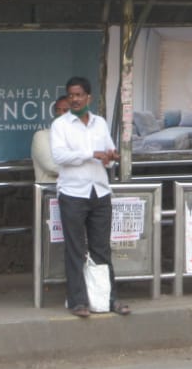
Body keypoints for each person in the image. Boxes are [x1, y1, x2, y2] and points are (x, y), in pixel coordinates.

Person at [50, 77, 131, 318]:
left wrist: (112, 155)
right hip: (73, 193)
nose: (74, 99)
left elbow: (108, 150)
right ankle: (78, 301)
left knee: (102, 249)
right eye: (70, 95)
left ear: (89, 98)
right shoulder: (60, 125)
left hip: (100, 190)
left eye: (78, 95)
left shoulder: (100, 123)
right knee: (75, 249)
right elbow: (59, 156)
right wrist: (90, 154)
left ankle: (108, 299)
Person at [31, 95, 70, 183]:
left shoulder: (79, 136)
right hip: (51, 193)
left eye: (66, 110)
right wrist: (83, 170)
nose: (61, 114)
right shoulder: (41, 136)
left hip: (78, 192)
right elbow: (52, 168)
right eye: (57, 110)